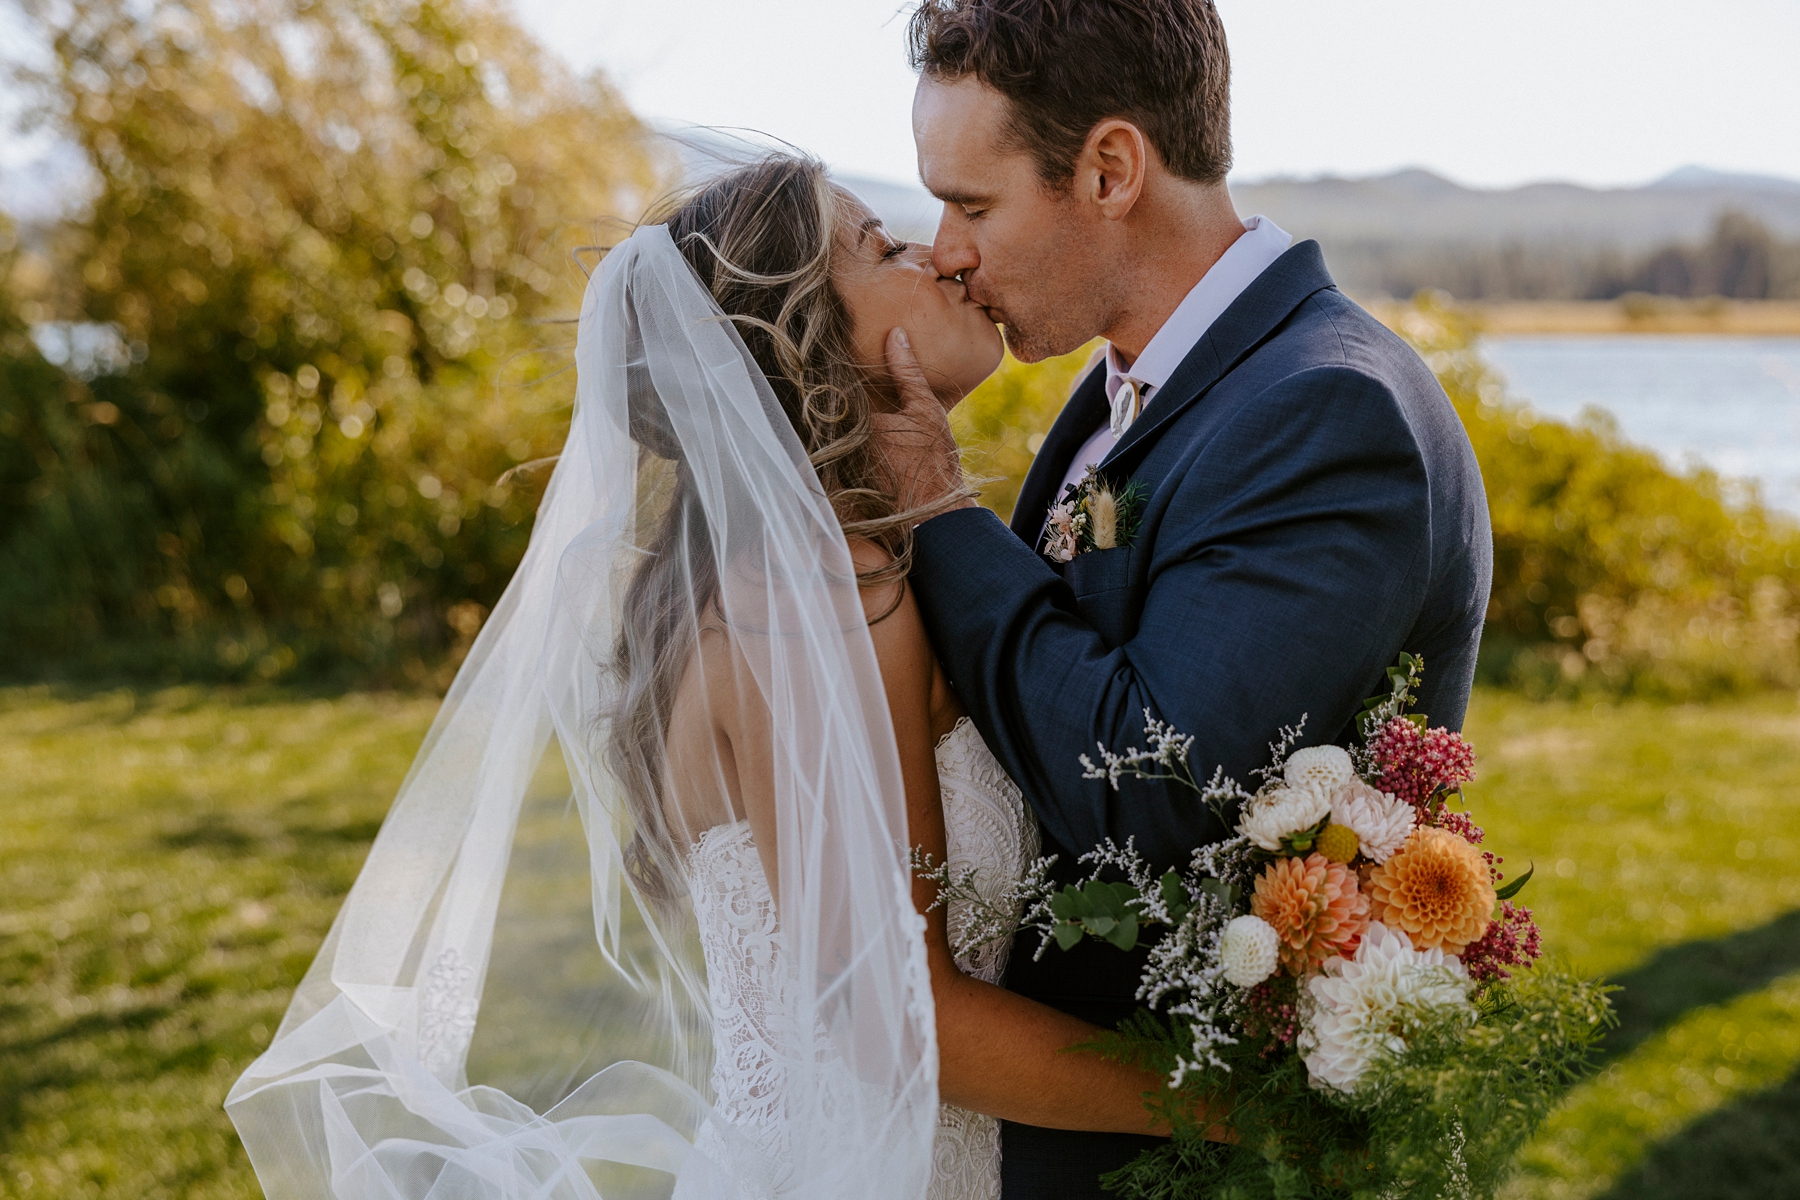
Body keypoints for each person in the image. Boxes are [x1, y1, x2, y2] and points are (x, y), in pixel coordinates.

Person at [227, 152, 1212, 1200]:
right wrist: (1224, 1105)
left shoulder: (790, 574)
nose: (935, 256)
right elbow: (894, 1021)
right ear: (806, 346)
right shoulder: (818, 593)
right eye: (879, 248)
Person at [872, 3, 1495, 1197]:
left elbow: (1147, 786)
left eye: (975, 205)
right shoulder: (1136, 381)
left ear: (1110, 168)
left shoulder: (1328, 413)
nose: (946, 248)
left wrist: (937, 510)